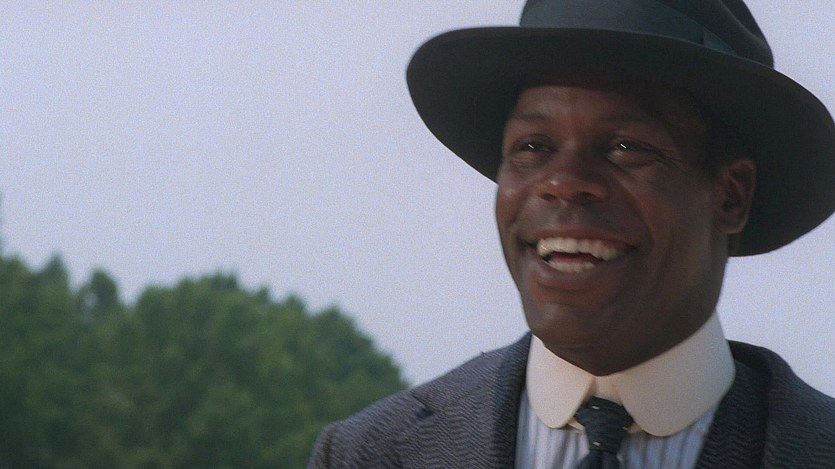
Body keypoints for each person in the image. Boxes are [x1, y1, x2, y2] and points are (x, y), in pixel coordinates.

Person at [309, 1, 835, 467]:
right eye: (533, 147)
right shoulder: (369, 455)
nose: (563, 183)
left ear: (730, 197)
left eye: (626, 148)